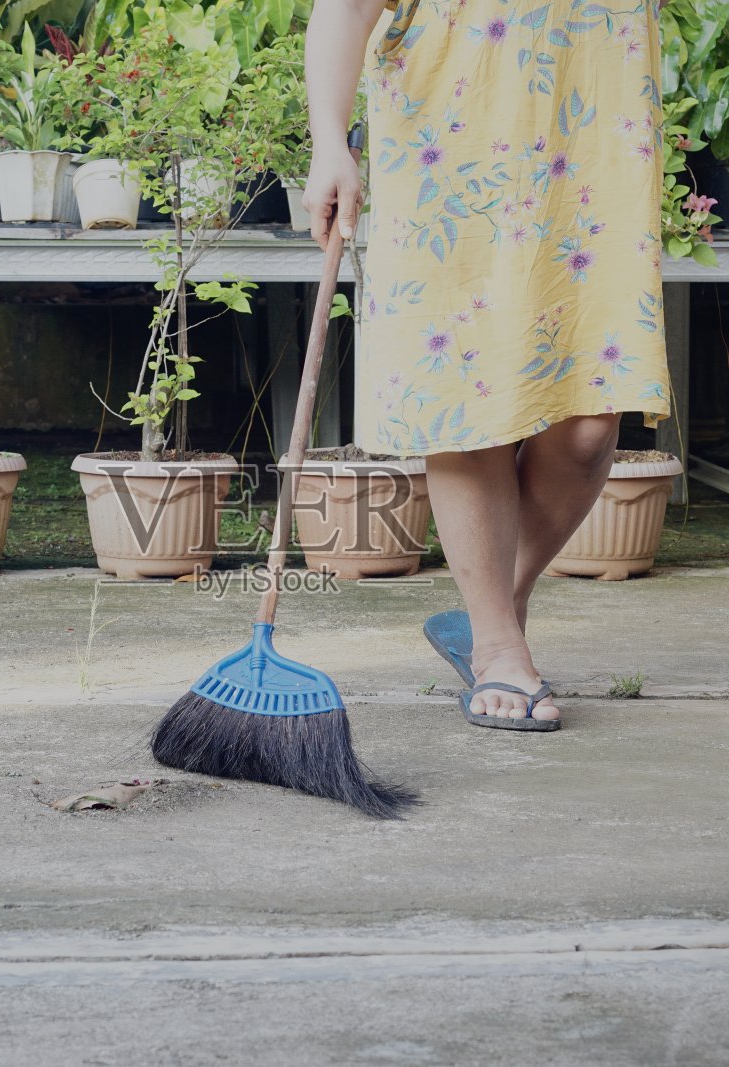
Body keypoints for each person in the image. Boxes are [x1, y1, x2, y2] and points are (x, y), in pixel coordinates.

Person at [302, 0, 673, 729]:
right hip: (455, 133)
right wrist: (329, 143)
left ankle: (493, 609)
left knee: (594, 420)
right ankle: (499, 642)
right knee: (467, 399)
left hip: (596, 138)